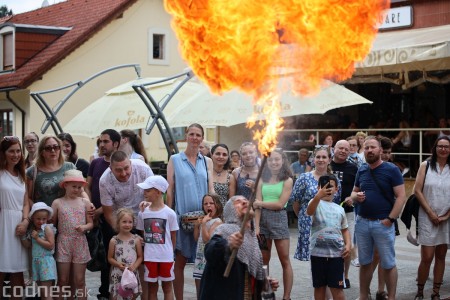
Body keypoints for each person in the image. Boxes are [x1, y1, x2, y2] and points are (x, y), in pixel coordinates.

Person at [351, 136, 406, 300]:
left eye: (373, 147)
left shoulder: (392, 169)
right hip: (362, 222)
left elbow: (401, 196)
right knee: (365, 262)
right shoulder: (361, 169)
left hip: (382, 223)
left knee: (388, 263)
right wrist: (356, 196)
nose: (369, 150)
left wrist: (390, 219)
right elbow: (353, 192)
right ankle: (363, 296)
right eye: (366, 148)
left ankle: (392, 297)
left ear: (380, 150)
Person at [166, 123, 214, 300]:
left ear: (202, 138)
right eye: (192, 134)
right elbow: (170, 189)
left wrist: (214, 212)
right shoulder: (175, 160)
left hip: (203, 219)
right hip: (182, 218)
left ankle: (201, 297)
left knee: (201, 263)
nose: (195, 138)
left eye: (198, 135)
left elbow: (211, 189)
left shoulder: (207, 161)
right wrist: (169, 216)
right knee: (180, 260)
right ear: (186, 136)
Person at [199, 196, 279, 300]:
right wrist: (228, 245)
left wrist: (264, 283)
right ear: (230, 211)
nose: (245, 203)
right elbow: (210, 252)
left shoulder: (253, 238)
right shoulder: (223, 230)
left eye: (246, 200)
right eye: (238, 202)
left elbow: (250, 274)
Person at [100, 150, 153, 300]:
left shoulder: (143, 169)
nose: (123, 173)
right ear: (111, 169)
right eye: (118, 170)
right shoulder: (105, 181)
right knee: (119, 261)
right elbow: (108, 212)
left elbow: (156, 195)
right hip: (120, 221)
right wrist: (121, 233)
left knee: (144, 264)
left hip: (143, 218)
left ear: (131, 164)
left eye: (126, 168)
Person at [253, 148, 294, 300]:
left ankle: (286, 296)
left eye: (277, 159)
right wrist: (256, 227)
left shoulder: (288, 180)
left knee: (285, 259)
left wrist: (261, 203)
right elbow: (256, 206)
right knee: (264, 259)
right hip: (263, 222)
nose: (274, 162)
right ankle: (266, 292)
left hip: (279, 221)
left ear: (282, 161)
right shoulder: (261, 179)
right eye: (270, 160)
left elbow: (280, 204)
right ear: (266, 162)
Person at [413, 136, 450, 300]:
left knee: (441, 256)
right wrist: (430, 213)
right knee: (427, 257)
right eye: (440, 146)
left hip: (446, 218)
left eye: (446, 147)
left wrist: (446, 216)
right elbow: (417, 190)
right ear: (435, 148)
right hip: (427, 216)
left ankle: (435, 293)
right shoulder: (426, 165)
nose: (443, 149)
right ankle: (420, 292)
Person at [86, 128, 121, 300]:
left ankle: (115, 290)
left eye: (105, 141)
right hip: (95, 217)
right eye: (100, 141)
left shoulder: (120, 166)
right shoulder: (95, 163)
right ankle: (104, 291)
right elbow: (88, 185)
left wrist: (99, 212)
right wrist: (90, 205)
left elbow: (117, 197)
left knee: (112, 254)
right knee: (100, 255)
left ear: (116, 144)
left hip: (112, 218)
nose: (101, 144)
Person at [290, 146, 340, 261]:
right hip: (309, 223)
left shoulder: (335, 179)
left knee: (329, 256)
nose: (321, 159)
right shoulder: (304, 178)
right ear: (313, 159)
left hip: (329, 222)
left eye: (324, 157)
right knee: (313, 259)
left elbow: (336, 201)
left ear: (329, 159)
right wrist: (303, 216)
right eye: (318, 157)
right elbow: (295, 201)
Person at [306, 174, 350, 300]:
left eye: (331, 186)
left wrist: (348, 245)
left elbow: (345, 229)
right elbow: (309, 211)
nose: (328, 189)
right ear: (318, 188)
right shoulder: (315, 203)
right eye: (324, 186)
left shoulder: (339, 209)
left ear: (336, 189)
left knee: (337, 288)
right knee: (319, 287)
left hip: (336, 255)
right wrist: (317, 197)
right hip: (317, 255)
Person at [52, 170, 93, 300]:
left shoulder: (85, 203)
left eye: (79, 187)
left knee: (80, 280)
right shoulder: (57, 203)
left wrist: (84, 227)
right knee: (62, 280)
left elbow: (91, 223)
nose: (77, 189)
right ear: (65, 185)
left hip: (80, 242)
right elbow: (52, 224)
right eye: (73, 186)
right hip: (63, 241)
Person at [136, 175, 178, 300]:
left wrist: (171, 253)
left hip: (166, 257)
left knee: (167, 287)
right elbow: (142, 233)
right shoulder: (142, 212)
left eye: (148, 190)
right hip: (150, 257)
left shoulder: (170, 213)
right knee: (152, 288)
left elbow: (173, 235)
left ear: (158, 192)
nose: (144, 193)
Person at [0, 136, 29, 299]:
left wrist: (25, 221)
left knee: (18, 270)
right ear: (3, 153)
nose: (16, 154)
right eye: (11, 151)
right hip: (2, 223)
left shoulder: (21, 175)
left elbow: (25, 203)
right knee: (1, 268)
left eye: (18, 151)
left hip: (19, 224)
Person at [330, 140, 358, 289]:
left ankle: (345, 276)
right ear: (334, 149)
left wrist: (352, 198)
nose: (343, 151)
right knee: (330, 245)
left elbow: (358, 189)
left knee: (347, 246)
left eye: (346, 149)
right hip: (327, 214)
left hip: (347, 213)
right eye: (340, 148)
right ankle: (331, 275)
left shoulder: (353, 168)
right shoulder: (327, 166)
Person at [26, 135, 82, 208]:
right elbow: (27, 198)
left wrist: (88, 204)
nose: (53, 151)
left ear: (60, 149)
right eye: (48, 148)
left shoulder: (70, 167)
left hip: (66, 215)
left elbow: (81, 191)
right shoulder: (32, 171)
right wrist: (38, 210)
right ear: (42, 152)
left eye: (56, 147)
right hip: (43, 217)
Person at [20, 202, 56, 300]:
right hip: (37, 263)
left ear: (47, 218)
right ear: (33, 218)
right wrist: (22, 236)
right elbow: (27, 245)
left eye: (44, 219)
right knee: (42, 293)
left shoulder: (47, 229)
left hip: (46, 263)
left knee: (46, 292)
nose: (41, 221)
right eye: (38, 219)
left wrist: (37, 239)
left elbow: (51, 245)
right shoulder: (34, 231)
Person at [108, 208, 143, 300]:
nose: (127, 224)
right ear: (118, 223)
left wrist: (135, 266)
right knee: (116, 296)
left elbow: (140, 257)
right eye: (124, 222)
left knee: (131, 296)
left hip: (131, 273)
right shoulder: (114, 241)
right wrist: (118, 264)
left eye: (130, 222)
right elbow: (110, 258)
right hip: (118, 273)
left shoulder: (136, 240)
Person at [193, 193, 223, 297]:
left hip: (209, 261)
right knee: (199, 290)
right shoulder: (204, 220)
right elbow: (197, 238)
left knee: (208, 291)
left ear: (217, 205)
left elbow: (207, 240)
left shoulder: (218, 222)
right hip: (200, 258)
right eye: (205, 204)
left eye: (211, 203)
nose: (208, 206)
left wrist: (204, 224)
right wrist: (197, 226)